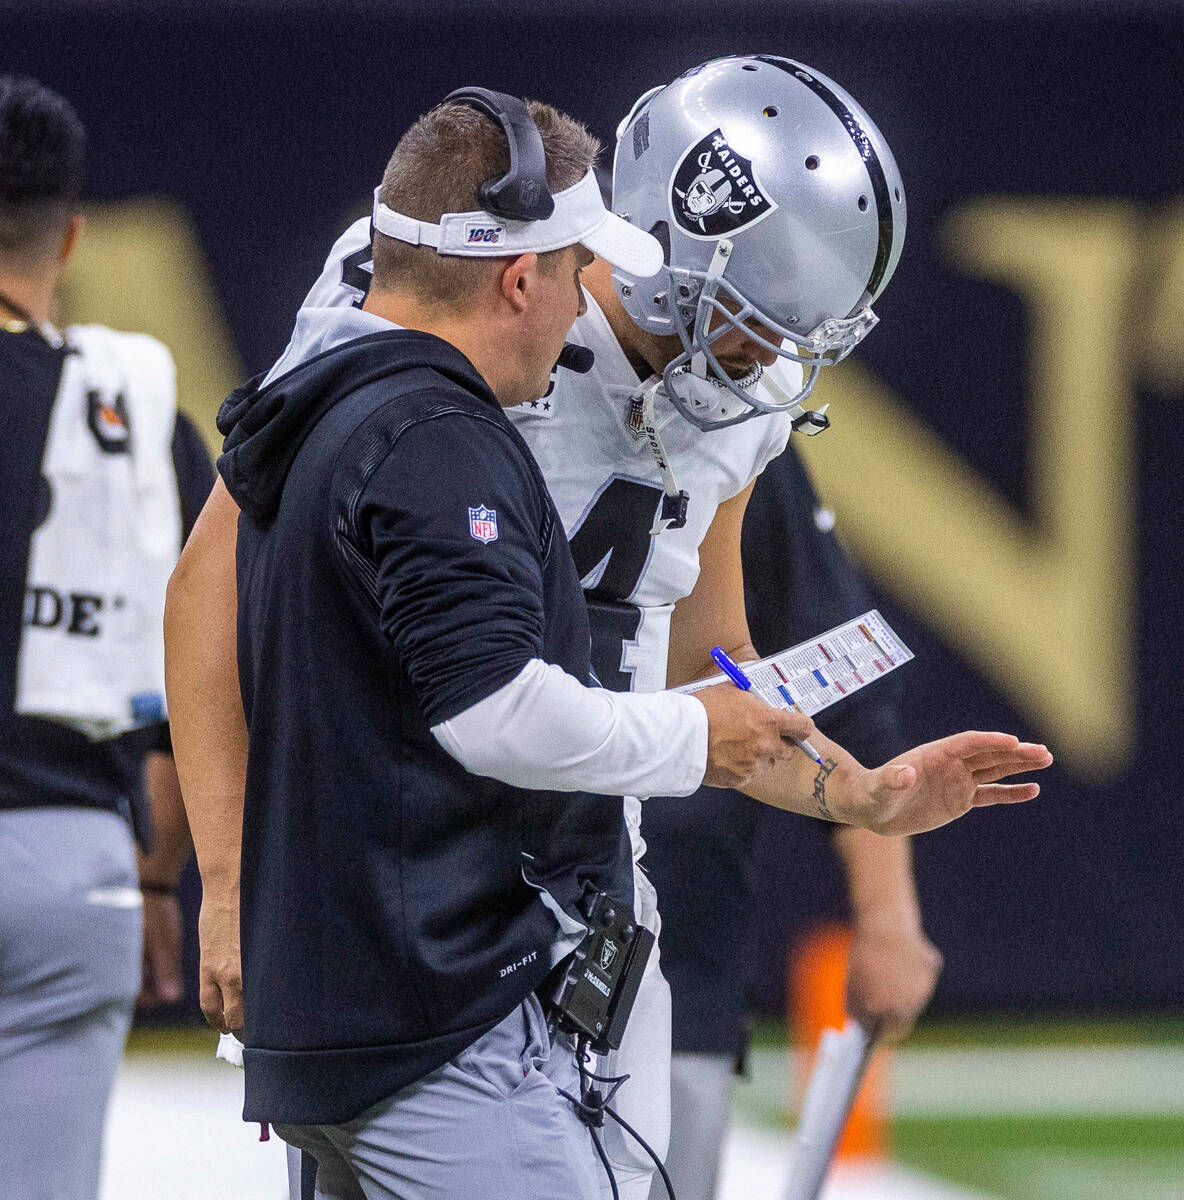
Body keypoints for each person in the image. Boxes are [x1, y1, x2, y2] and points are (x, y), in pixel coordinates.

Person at [166, 67, 1051, 1200]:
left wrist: (855, 793)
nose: (769, 361)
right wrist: (234, 885)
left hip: (591, 894)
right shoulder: (444, 293)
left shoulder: (736, 414)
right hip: (395, 885)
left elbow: (709, 674)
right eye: (755, 321)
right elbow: (214, 585)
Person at [0, 76, 210, 1200]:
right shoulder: (137, 415)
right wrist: (163, 884)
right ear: (71, 234)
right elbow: (190, 680)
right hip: (69, 856)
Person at [642, 442, 940, 1200]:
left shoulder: (729, 432)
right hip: (468, 954)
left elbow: (846, 703)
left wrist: (889, 917)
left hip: (674, 962)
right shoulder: (454, 412)